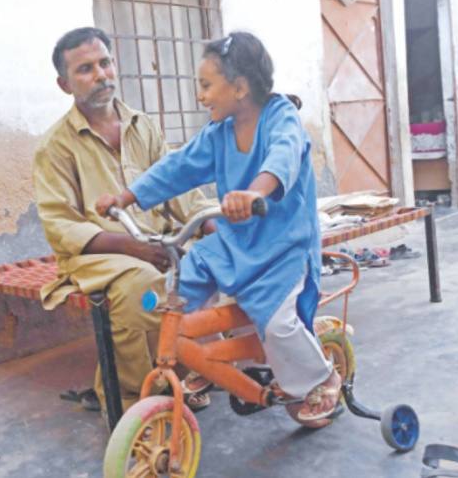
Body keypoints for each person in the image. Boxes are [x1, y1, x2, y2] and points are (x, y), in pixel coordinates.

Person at [96, 31, 342, 421]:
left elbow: (284, 154)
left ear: (240, 88)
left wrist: (255, 192)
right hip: (234, 242)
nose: (200, 96)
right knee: (177, 291)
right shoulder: (219, 133)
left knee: (277, 325)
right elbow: (177, 167)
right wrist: (126, 197)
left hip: (282, 248)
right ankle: (209, 359)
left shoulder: (281, 117)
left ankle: (322, 376)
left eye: (207, 85)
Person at [32, 27, 218, 415]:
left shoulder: (142, 125)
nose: (101, 75)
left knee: (214, 263)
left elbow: (176, 182)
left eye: (105, 63)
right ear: (65, 84)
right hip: (98, 255)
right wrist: (132, 247)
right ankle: (133, 400)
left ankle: (184, 373)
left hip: (156, 243)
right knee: (145, 291)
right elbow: (61, 225)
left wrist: (208, 224)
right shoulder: (55, 146)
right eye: (85, 69)